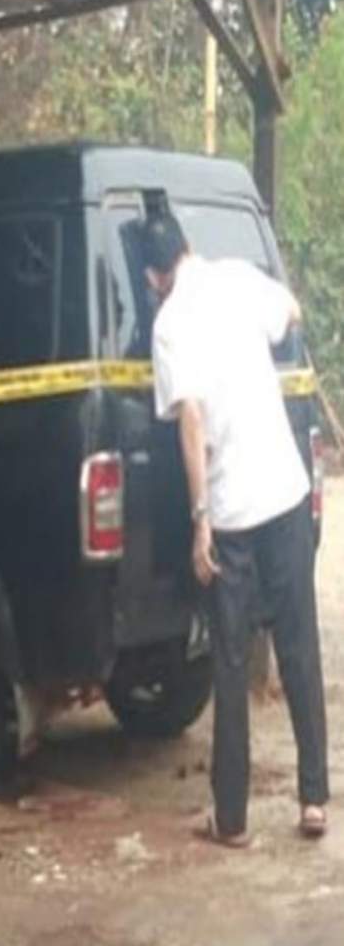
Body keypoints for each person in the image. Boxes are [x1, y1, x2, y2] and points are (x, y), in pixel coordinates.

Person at [137, 208, 329, 848]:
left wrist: (200, 522)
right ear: (188, 247)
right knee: (298, 646)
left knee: (229, 660)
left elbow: (190, 420)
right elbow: (292, 311)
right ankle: (313, 800)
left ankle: (234, 819)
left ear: (153, 276)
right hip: (285, 491)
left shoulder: (168, 325)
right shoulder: (239, 279)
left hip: (233, 515)